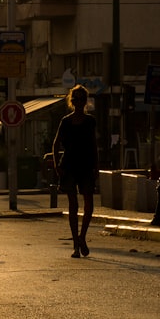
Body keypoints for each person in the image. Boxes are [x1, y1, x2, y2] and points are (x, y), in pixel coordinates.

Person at [52, 84, 99, 258]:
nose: (79, 102)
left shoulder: (90, 121)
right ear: (71, 101)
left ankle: (82, 237)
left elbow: (94, 145)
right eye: (75, 99)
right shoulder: (65, 121)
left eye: (82, 99)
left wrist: (96, 167)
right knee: (73, 205)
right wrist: (57, 165)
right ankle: (75, 245)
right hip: (69, 166)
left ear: (86, 101)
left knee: (89, 205)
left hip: (86, 166)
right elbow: (56, 144)